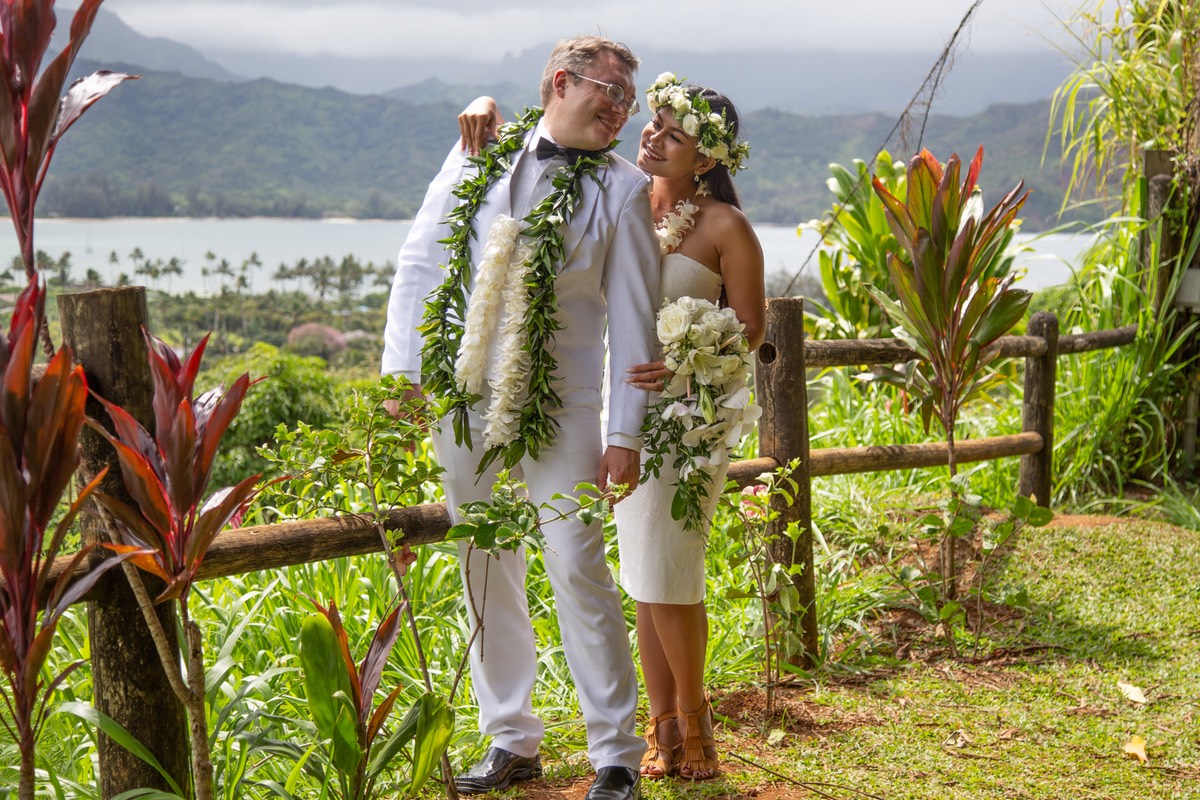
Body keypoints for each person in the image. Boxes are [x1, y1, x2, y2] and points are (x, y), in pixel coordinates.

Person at [458, 73, 765, 782]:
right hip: (622, 416)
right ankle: (661, 731)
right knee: (640, 577)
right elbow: (536, 148)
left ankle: (696, 727)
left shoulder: (726, 227)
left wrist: (690, 355)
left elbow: (751, 327)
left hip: (690, 419)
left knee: (670, 573)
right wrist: (485, 109)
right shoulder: (619, 190)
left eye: (673, 133)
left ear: (707, 159)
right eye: (653, 124)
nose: (652, 136)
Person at [382, 36, 659, 800]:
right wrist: (401, 384)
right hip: (463, 399)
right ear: (562, 82)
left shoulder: (625, 189)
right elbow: (422, 264)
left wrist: (624, 434)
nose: (620, 110)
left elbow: (635, 324)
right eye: (610, 92)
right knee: (482, 564)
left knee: (578, 566)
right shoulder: (477, 152)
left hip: (565, 408)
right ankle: (511, 738)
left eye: (629, 101)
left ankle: (616, 756)